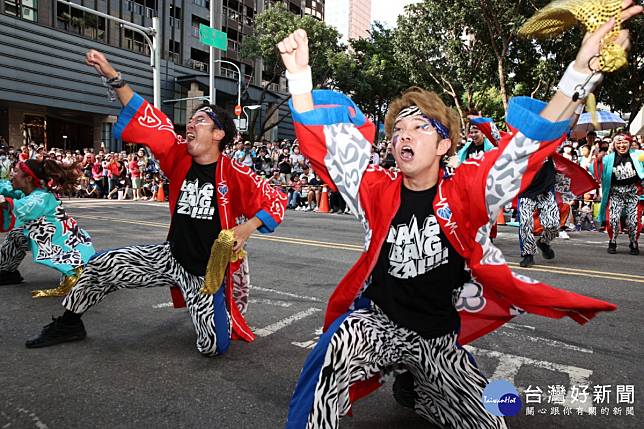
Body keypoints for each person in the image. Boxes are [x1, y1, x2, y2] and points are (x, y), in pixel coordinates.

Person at [277, 8, 636, 425]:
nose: (404, 135)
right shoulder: (375, 188)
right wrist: (299, 78)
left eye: (420, 127)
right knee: (333, 352)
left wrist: (580, 69)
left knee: (489, 422)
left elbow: (525, 147)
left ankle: (420, 386)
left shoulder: (466, 190)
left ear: (445, 144)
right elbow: (326, 149)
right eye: (398, 131)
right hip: (378, 324)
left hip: (438, 340)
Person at [25, 49, 288, 354]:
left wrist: (249, 227)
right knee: (101, 264)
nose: (190, 125)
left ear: (218, 133)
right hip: (170, 255)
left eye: (199, 121)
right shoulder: (178, 154)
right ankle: (69, 323)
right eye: (190, 121)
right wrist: (113, 75)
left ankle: (215, 311)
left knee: (213, 347)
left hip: (203, 272)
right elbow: (150, 119)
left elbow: (275, 198)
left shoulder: (234, 171)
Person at [0, 159, 95, 286]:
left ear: (28, 178)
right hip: (46, 237)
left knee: (76, 277)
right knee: (17, 235)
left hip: (60, 241)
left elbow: (24, 206)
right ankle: (6, 271)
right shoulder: (28, 193)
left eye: (16, 171)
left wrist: (4, 202)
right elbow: (6, 189)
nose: (12, 174)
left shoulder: (42, 197)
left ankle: (77, 272)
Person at [593, 133, 644, 254]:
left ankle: (633, 242)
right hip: (616, 193)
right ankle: (613, 240)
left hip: (633, 193)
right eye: (619, 143)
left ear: (630, 143)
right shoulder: (608, 158)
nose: (622, 145)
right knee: (613, 219)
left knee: (633, 221)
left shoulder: (638, 155)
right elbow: (596, 172)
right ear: (614, 145)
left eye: (624, 142)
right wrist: (598, 160)